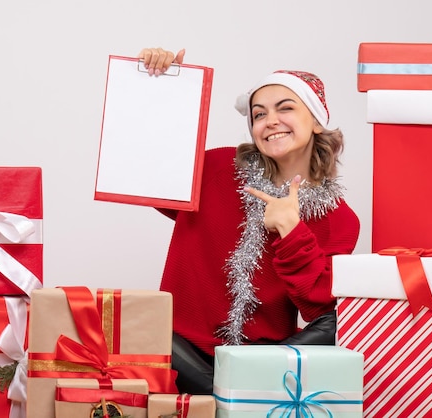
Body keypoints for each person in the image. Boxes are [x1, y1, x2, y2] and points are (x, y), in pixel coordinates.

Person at [138, 47, 360, 394]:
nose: (270, 120)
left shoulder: (340, 219)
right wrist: (166, 91)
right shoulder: (217, 169)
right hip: (177, 351)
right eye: (259, 114)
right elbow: (148, 177)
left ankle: (235, 389)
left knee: (342, 316)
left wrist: (291, 231)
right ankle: (230, 392)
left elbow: (317, 307)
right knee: (144, 328)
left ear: (317, 121)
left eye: (285, 108)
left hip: (263, 362)